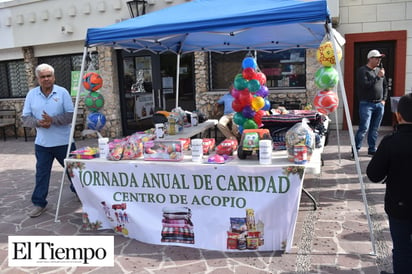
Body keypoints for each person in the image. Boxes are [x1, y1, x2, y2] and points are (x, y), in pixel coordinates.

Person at [22, 63, 76, 218]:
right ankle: (39, 203)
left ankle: (80, 193)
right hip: (43, 144)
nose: (46, 79)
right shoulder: (31, 95)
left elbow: (70, 115)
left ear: (54, 77)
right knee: (41, 174)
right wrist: (39, 123)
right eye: (43, 77)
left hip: (64, 142)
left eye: (48, 76)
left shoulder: (62, 92)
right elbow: (25, 118)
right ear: (38, 79)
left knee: (74, 172)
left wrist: (52, 120)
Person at [366, 93, 412, 273]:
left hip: (399, 206)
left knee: (401, 249)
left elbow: (374, 174)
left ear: (398, 116)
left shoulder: (391, 142)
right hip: (399, 206)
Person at [352, 49, 388, 158]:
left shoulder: (380, 71)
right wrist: (378, 77)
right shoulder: (362, 71)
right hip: (366, 104)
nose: (379, 60)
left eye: (380, 58)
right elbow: (365, 85)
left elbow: (385, 86)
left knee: (375, 129)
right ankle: (355, 150)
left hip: (379, 104)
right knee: (364, 128)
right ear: (370, 58)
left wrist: (384, 100)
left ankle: (372, 149)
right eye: (377, 58)